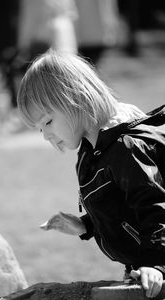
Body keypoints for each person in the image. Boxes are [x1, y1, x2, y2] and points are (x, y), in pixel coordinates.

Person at [17, 50, 165, 299]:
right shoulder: (91, 150)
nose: (45, 135)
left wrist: (155, 264)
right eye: (40, 128)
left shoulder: (125, 147)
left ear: (75, 100)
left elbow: (156, 208)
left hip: (156, 271)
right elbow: (122, 209)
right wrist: (86, 224)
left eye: (48, 122)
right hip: (142, 269)